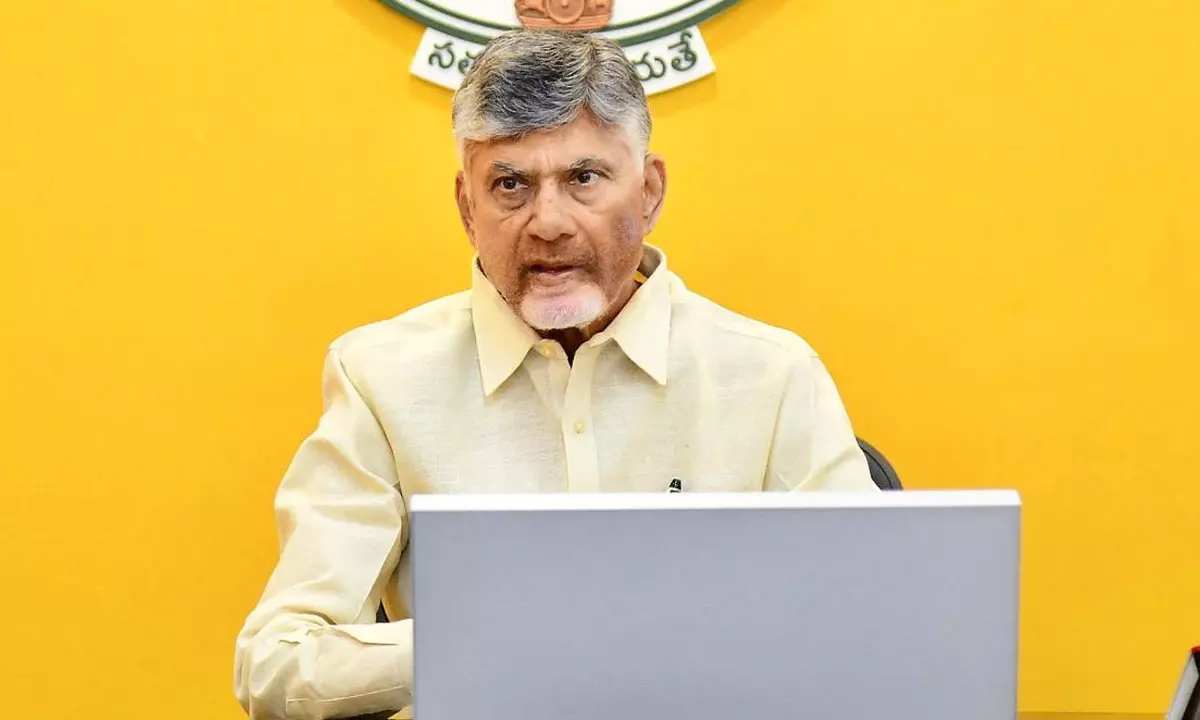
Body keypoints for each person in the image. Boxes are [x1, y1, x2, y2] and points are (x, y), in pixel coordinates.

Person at [234, 29, 876, 720]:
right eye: (510, 185)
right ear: (467, 208)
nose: (548, 223)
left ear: (650, 191)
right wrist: (487, 642)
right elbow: (277, 662)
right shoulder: (379, 378)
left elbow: (873, 624)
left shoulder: (772, 376)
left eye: (583, 178)